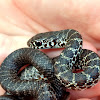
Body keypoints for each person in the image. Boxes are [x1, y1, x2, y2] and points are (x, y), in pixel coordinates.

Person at [0, 0, 100, 100]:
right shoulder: (70, 45)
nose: (35, 46)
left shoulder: (73, 39)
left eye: (39, 44)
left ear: (54, 41)